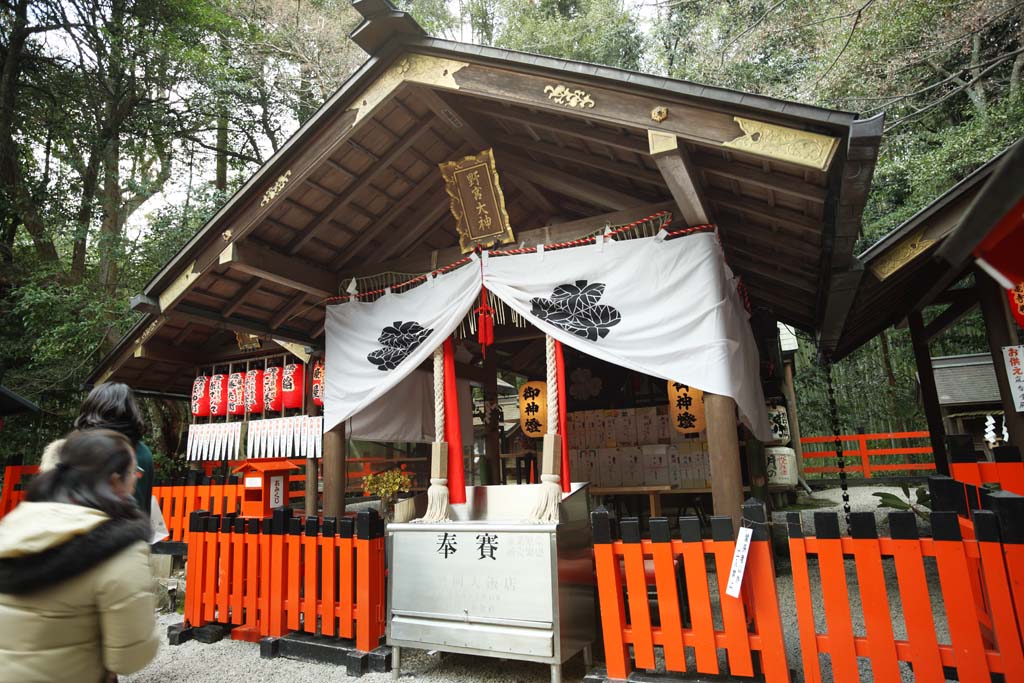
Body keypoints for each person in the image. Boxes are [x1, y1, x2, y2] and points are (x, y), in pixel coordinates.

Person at [0, 429, 159, 682]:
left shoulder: (13, 524)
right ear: (116, 479)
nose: (137, 480)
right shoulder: (120, 549)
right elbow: (130, 657)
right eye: (134, 473)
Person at [40, 383, 154, 516]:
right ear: (132, 412)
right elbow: (144, 508)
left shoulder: (70, 448)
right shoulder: (143, 453)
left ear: (89, 411)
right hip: (127, 531)